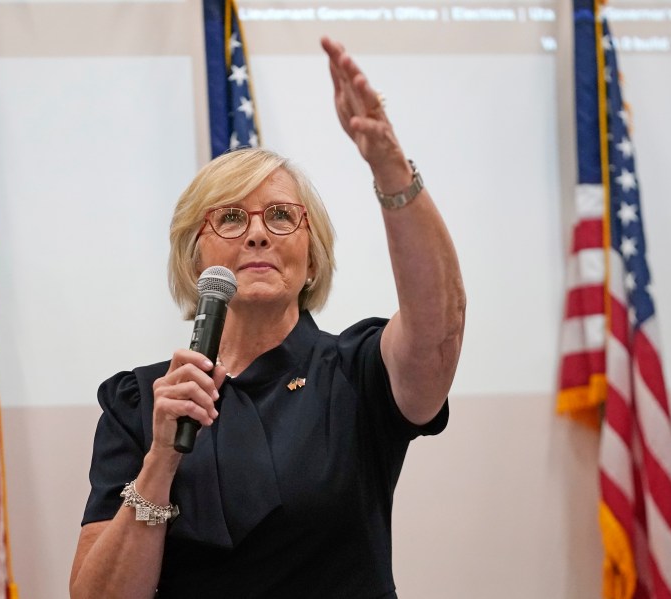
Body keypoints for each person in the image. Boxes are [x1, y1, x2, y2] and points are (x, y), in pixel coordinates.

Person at [70, 36, 465, 599]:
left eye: (281, 216)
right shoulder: (142, 401)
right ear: (194, 254)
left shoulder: (357, 374)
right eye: (230, 218)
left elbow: (439, 324)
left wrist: (391, 168)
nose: (257, 231)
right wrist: (159, 462)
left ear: (312, 256)